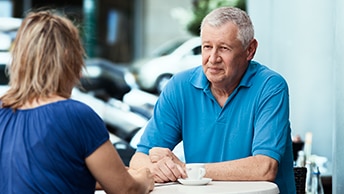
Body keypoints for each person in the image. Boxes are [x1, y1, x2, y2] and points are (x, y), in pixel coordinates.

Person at [130, 6, 296, 194]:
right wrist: (157, 168)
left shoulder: (270, 86)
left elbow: (264, 168)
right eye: (207, 47)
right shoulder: (179, 86)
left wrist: (188, 170)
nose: (213, 58)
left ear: (250, 50)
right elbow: (139, 159)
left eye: (224, 48)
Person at [0, 10, 154, 194]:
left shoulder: (3, 113)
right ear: (67, 59)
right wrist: (144, 178)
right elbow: (126, 189)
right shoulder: (74, 115)